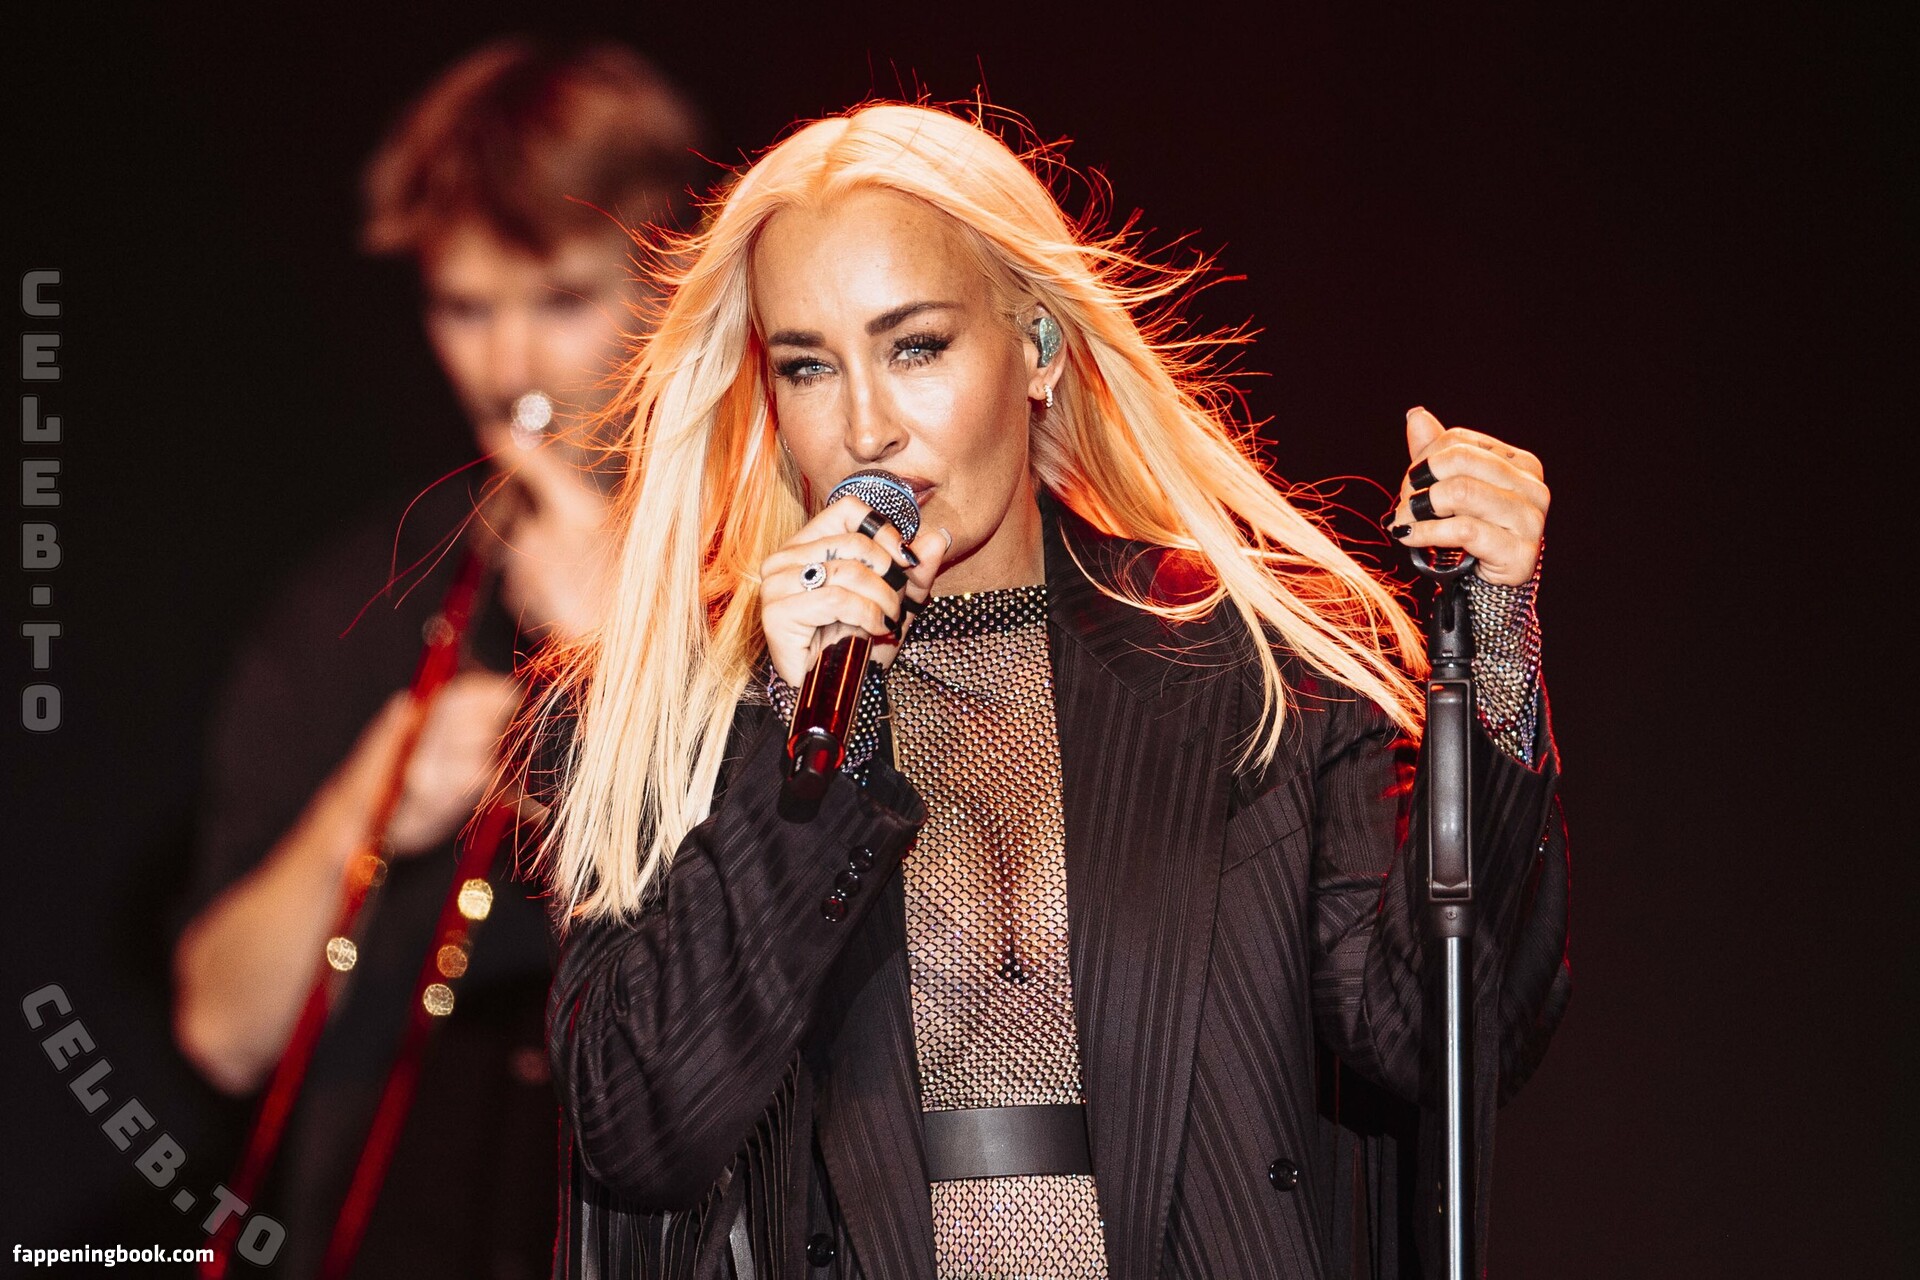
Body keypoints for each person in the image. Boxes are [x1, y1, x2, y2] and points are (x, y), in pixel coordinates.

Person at [534, 102, 1568, 1280]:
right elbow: (639, 1131)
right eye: (809, 366)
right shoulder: (685, 714)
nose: (866, 427)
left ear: (1035, 346)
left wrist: (1498, 642)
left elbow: (1438, 1032)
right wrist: (802, 752)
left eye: (915, 347)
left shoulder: (1253, 666)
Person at [171, 39, 705, 1279]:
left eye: (561, 300)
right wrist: (370, 802)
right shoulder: (352, 601)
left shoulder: (768, 571)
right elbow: (221, 1030)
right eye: (466, 308)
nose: (509, 367)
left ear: (666, 277)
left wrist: (616, 652)